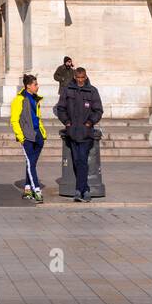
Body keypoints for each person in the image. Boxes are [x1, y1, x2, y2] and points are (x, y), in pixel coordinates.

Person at [55, 65, 104, 203]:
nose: (80, 80)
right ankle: (83, 189)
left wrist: (89, 123)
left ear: (86, 77)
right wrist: (67, 122)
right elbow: (61, 108)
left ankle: (81, 190)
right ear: (75, 77)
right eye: (78, 78)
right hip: (72, 132)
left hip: (86, 133)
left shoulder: (92, 91)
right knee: (77, 161)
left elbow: (98, 110)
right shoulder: (67, 90)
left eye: (83, 78)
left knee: (82, 160)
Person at [10, 73, 47, 203]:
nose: (37, 86)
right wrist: (21, 137)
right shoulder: (18, 100)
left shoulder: (36, 99)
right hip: (27, 137)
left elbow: (38, 117)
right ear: (28, 86)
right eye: (35, 84)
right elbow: (14, 120)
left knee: (31, 163)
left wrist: (43, 133)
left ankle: (27, 189)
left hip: (38, 136)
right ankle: (36, 190)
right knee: (31, 164)